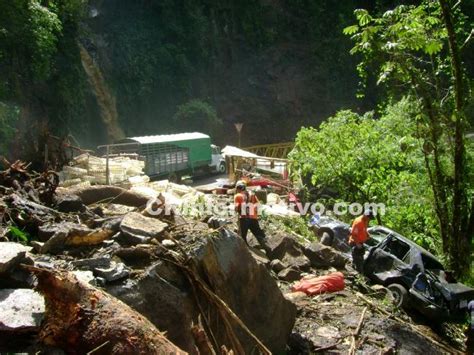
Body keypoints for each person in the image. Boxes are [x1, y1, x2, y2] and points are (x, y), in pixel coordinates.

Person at [234, 180, 267, 250]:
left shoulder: (238, 196)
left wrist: (240, 209)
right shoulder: (252, 194)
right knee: (259, 234)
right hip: (253, 218)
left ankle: (245, 252)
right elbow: (259, 205)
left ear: (237, 188)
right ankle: (267, 248)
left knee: (242, 237)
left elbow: (236, 208)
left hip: (243, 218)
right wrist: (252, 208)